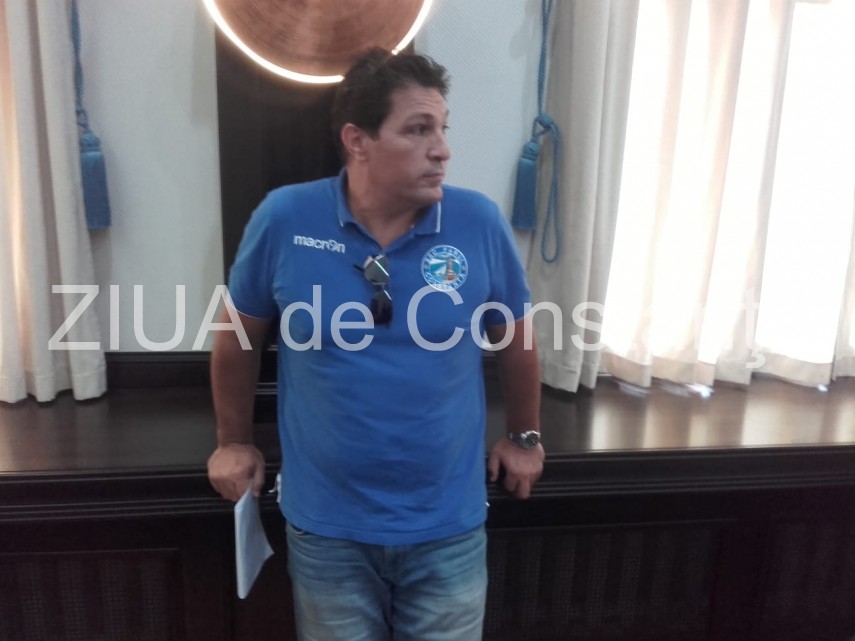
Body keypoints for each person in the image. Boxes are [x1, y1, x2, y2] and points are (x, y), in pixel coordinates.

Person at [207, 48, 544, 641]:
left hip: (447, 526)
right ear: (357, 140)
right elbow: (238, 337)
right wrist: (232, 441)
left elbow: (516, 340)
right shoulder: (286, 217)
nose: (442, 149)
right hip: (328, 528)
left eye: (442, 128)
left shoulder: (477, 222)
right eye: (418, 129)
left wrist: (524, 436)